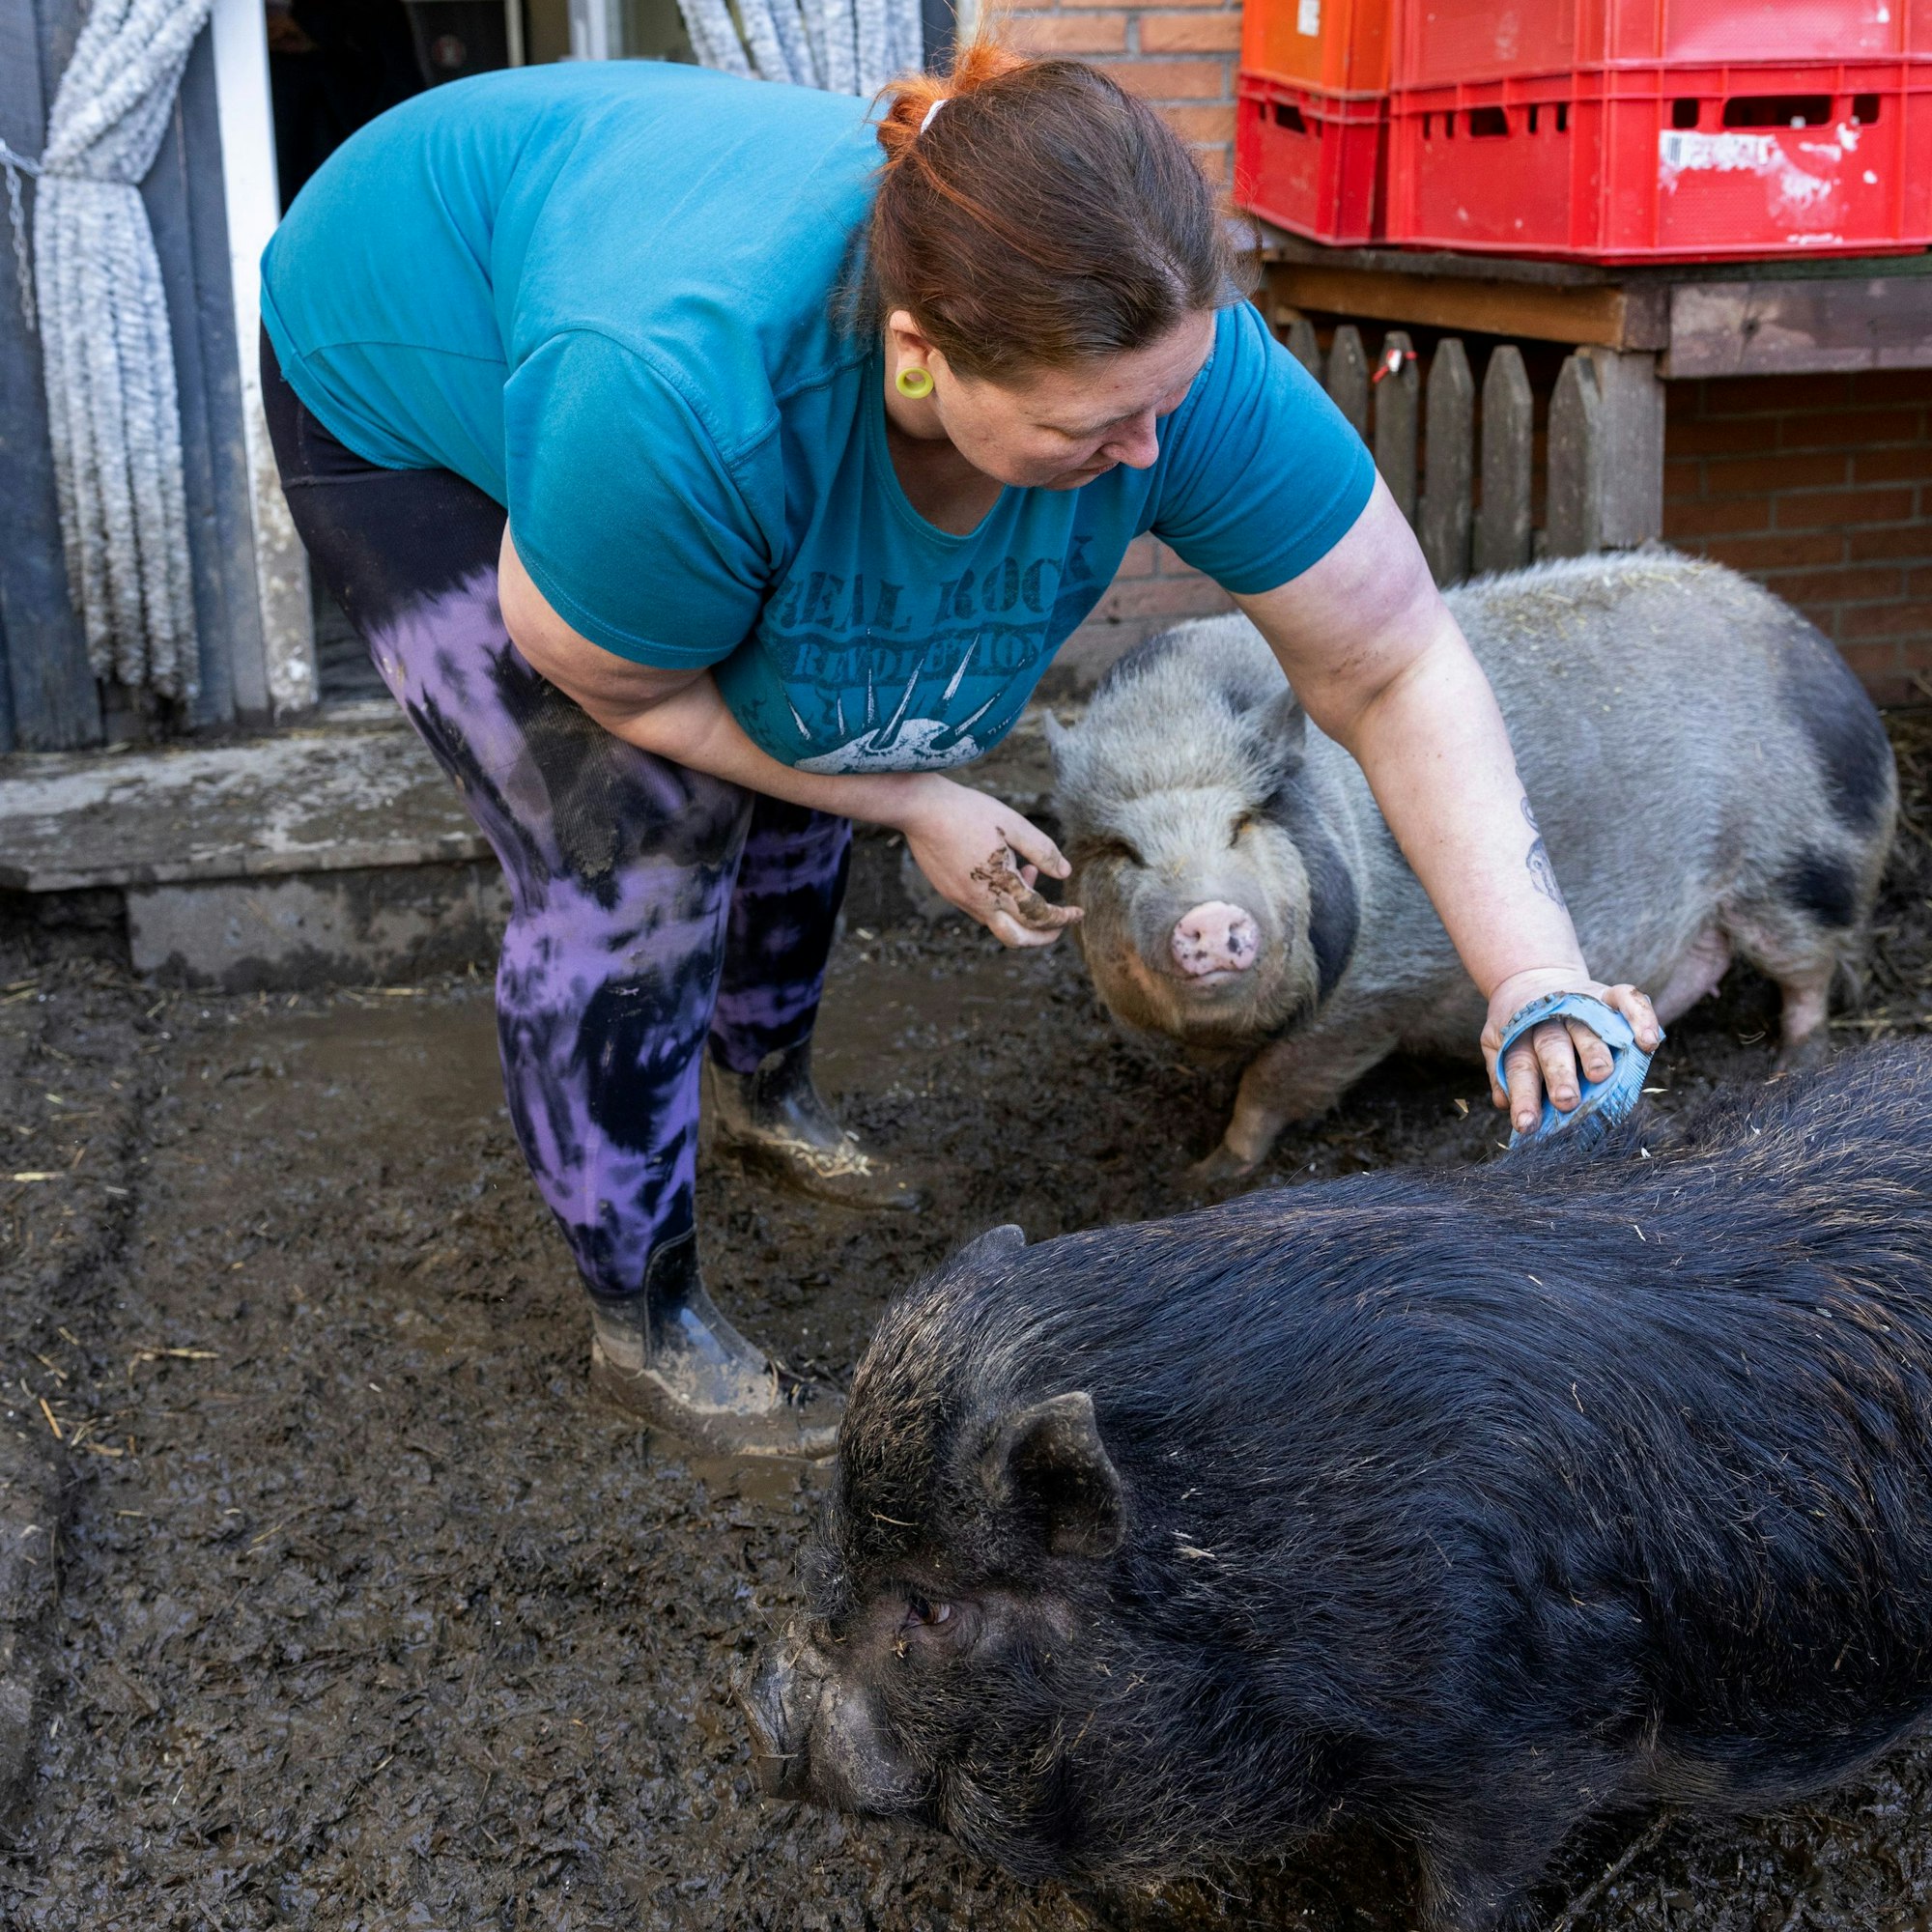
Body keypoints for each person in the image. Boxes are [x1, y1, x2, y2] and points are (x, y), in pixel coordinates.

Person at [258, 39, 1661, 1461]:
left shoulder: (1159, 354)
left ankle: (764, 1098)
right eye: (1097, 427)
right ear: (921, 359)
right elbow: (613, 677)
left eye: (1167, 406)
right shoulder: (680, 401)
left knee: (826, 690)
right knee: (634, 840)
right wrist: (916, 798)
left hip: (656, 282)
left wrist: (1532, 970)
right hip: (402, 342)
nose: (1150, 455)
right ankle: (645, 1314)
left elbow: (1393, 657)